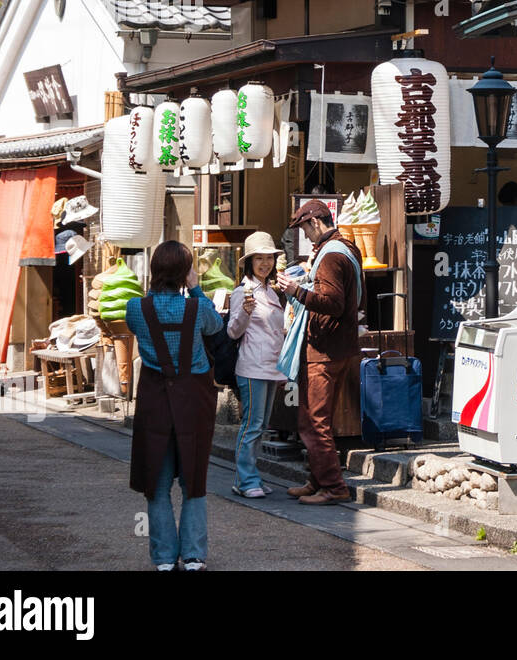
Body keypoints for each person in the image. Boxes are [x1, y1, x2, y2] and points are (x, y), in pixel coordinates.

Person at [125, 242, 224, 571]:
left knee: (157, 480)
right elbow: (216, 327)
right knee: (193, 479)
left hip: (155, 401)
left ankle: (164, 559)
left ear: (153, 271)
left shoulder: (136, 308)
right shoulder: (196, 310)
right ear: (186, 272)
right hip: (193, 399)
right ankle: (194, 556)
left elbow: (134, 329)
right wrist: (195, 289)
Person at [276, 199, 363, 506]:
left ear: (314, 223)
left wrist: (296, 291)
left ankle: (334, 487)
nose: (305, 235)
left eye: (303, 228)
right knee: (313, 418)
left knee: (314, 421)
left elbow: (332, 303)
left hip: (324, 349)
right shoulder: (348, 248)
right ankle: (317, 480)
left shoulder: (330, 257)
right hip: (338, 346)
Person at [226, 232, 287, 499]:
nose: (265, 263)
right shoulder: (243, 292)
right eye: (259, 258)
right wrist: (245, 311)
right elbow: (232, 332)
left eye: (269, 258)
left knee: (260, 426)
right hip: (252, 367)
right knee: (252, 425)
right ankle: (244, 479)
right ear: (249, 262)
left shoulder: (270, 291)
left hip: (270, 367)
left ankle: (251, 476)